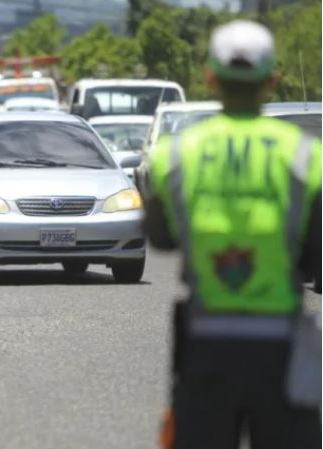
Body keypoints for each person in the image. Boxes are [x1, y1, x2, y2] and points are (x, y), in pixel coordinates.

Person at [144, 20, 321, 448]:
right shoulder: (305, 156)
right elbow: (315, 257)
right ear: (272, 82)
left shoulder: (177, 153)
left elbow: (162, 237)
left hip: (206, 346)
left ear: (210, 79)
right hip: (281, 348)